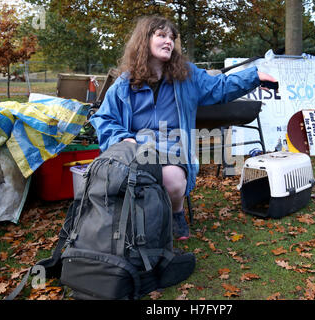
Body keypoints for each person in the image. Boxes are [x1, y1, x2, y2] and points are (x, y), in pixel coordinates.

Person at [89, 15, 277, 241]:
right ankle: (139, 220)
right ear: (144, 40)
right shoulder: (124, 84)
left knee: (172, 181)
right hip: (136, 148)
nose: (168, 41)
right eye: (161, 35)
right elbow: (104, 118)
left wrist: (254, 76)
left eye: (172, 37)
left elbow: (220, 87)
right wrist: (122, 138)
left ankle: (177, 212)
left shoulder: (186, 75)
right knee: (130, 178)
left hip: (173, 148)